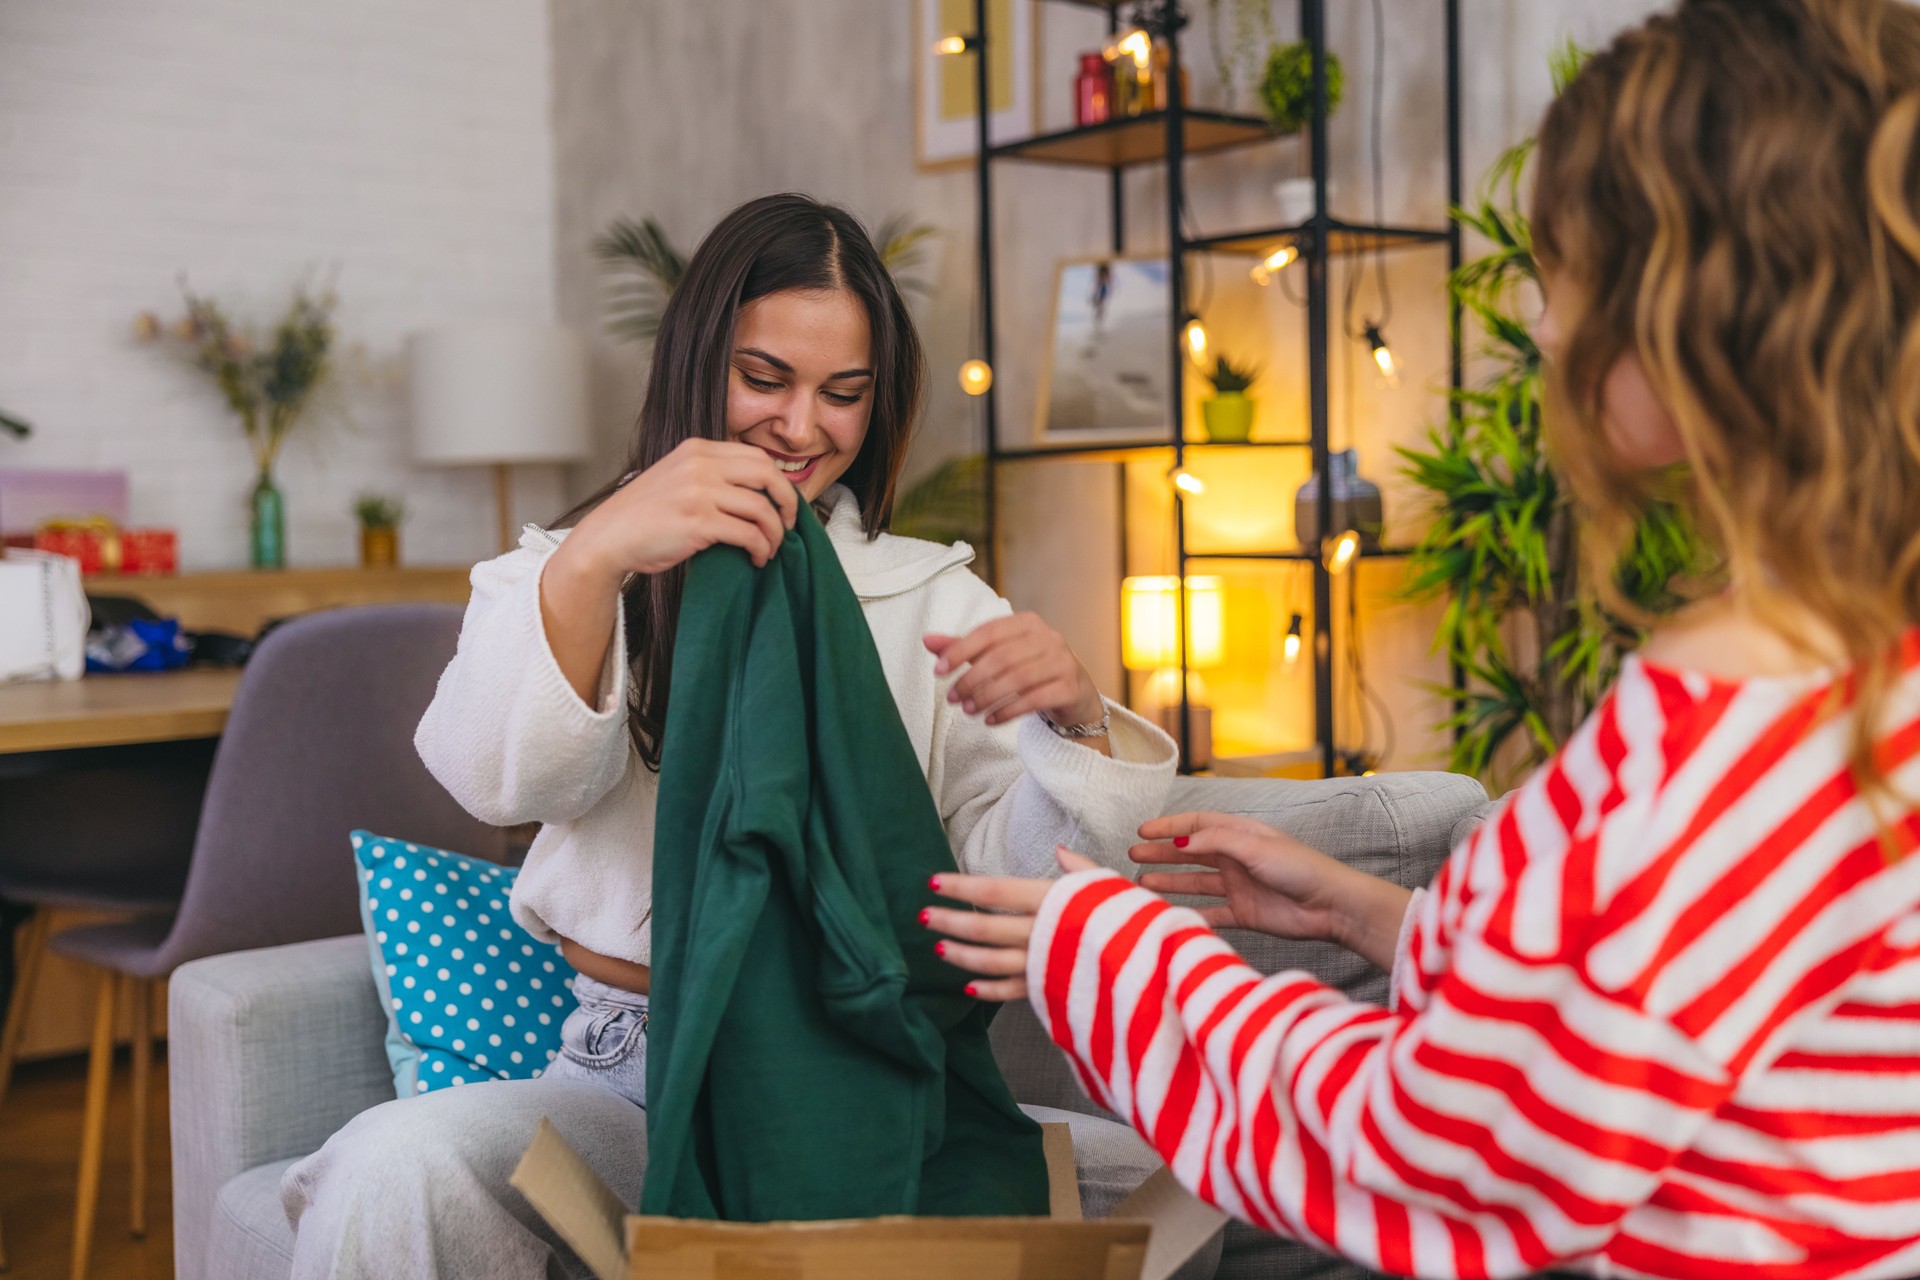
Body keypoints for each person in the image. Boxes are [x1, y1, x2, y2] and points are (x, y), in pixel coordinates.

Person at [924, 2, 1920, 1275]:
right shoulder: (1865, 657)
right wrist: (1380, 917)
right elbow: (1643, 1016)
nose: (1549, 329)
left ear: (1701, 297)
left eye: (1567, 270)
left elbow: (1435, 1156)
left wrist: (1118, 952)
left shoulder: (1739, 722)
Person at [281, 193, 1181, 1278]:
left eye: (843, 394)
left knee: (1173, 1186)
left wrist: (1075, 717)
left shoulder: (936, 599)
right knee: (392, 1164)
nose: (802, 428)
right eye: (766, 379)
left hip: (857, 1074)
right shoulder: (568, 568)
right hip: (626, 1074)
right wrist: (597, 553)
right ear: (699, 359)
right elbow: (497, 780)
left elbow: (1017, 889)